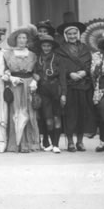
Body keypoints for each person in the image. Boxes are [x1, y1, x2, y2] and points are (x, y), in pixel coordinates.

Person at [56, 21, 94, 152]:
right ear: (65, 35)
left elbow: (90, 63)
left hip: (83, 85)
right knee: (70, 114)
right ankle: (70, 142)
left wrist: (85, 72)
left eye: (74, 33)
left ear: (78, 34)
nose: (72, 36)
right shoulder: (60, 50)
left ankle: (80, 141)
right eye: (69, 34)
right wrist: (69, 73)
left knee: (82, 114)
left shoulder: (84, 48)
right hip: (69, 85)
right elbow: (59, 66)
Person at [4, 25, 39, 153]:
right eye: (19, 38)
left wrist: (35, 81)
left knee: (29, 112)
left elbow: (36, 71)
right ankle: (16, 144)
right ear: (15, 39)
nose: (22, 40)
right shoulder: (7, 54)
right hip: (15, 86)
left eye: (24, 38)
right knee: (16, 112)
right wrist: (11, 78)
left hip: (29, 85)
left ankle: (30, 144)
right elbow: (4, 71)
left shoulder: (33, 55)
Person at [33, 35, 66, 154]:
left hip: (56, 89)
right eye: (44, 45)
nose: (46, 48)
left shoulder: (58, 58)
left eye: (48, 45)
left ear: (52, 46)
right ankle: (52, 143)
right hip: (43, 91)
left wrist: (64, 94)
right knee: (48, 119)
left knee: (57, 117)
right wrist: (34, 76)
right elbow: (33, 72)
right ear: (41, 46)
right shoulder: (37, 59)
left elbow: (62, 77)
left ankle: (56, 144)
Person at [33, 20, 56, 149]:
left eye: (44, 32)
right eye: (40, 31)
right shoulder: (33, 47)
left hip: (49, 84)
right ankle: (41, 138)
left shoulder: (51, 48)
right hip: (36, 83)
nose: (41, 34)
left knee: (49, 113)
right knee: (38, 112)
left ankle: (50, 138)